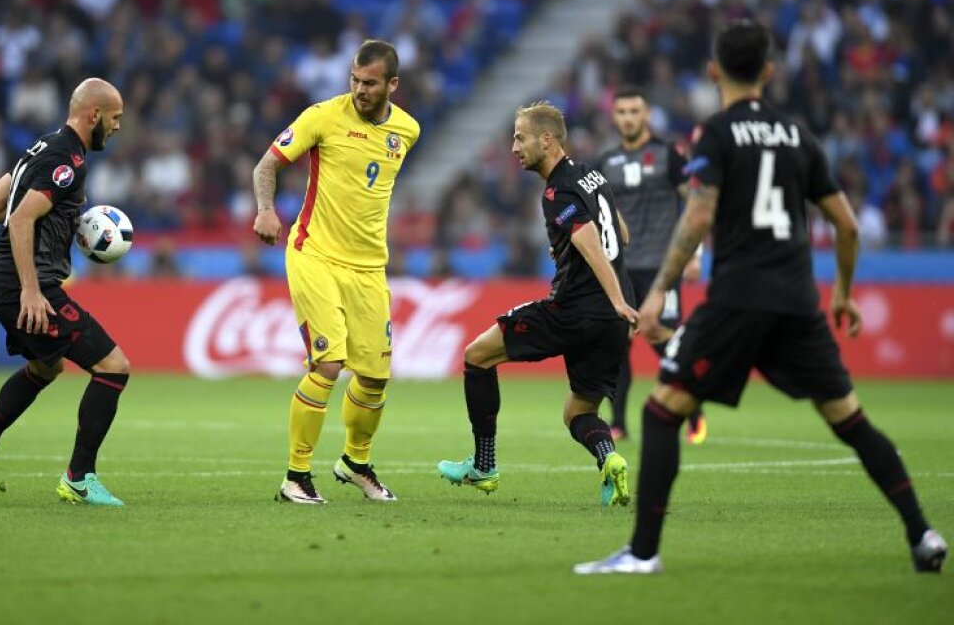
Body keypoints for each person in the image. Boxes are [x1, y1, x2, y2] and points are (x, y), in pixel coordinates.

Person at [575, 20, 947, 574]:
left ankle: (643, 554)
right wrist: (842, 294)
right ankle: (922, 534)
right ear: (769, 73)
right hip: (799, 299)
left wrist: (655, 294)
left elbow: (698, 213)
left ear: (713, 70)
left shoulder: (716, 134)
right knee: (851, 419)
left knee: (661, 413)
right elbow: (846, 225)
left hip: (739, 300)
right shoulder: (799, 135)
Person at [437, 102, 640, 507]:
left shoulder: (556, 190)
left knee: (477, 356)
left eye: (520, 137)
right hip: (612, 322)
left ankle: (484, 464)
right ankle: (610, 458)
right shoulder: (592, 175)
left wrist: (613, 295)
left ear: (546, 140)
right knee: (578, 415)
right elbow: (622, 234)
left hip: (577, 310)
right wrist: (571, 255)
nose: (514, 147)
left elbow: (588, 239)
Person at [252, 39, 421, 504]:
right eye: (354, 80)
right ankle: (296, 476)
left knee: (374, 377)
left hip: (369, 268)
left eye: (369, 83)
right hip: (314, 254)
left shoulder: (407, 130)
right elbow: (267, 165)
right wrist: (266, 209)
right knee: (328, 363)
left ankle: (355, 462)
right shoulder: (322, 116)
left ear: (392, 84)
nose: (359, 90)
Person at [0, 77, 132, 507]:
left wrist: (51, 226)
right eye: (116, 118)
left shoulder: (40, 148)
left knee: (46, 369)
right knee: (114, 366)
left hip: (1, 281)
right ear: (95, 115)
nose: (119, 127)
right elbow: (17, 220)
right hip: (24, 286)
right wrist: (32, 290)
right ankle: (79, 477)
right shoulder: (67, 159)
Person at [597, 88, 706, 444]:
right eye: (622, 112)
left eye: (634, 111)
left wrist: (695, 254)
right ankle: (618, 423)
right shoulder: (605, 162)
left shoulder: (669, 155)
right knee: (617, 345)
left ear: (646, 115)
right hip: (621, 269)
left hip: (663, 268)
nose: (628, 117)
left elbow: (695, 204)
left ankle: (693, 411)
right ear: (614, 117)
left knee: (666, 344)